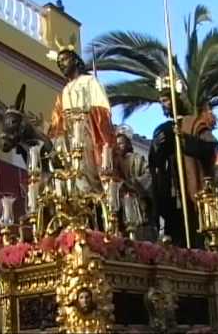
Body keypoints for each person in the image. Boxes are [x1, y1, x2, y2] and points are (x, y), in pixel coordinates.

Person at [148, 89, 218, 248]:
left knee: (196, 237)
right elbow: (155, 163)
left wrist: (184, 140)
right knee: (175, 237)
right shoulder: (162, 128)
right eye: (161, 102)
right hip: (172, 192)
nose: (164, 105)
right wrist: (156, 147)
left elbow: (211, 148)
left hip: (193, 192)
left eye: (166, 100)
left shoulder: (193, 123)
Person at [47, 45, 116, 192]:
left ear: (75, 60)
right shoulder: (65, 91)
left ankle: (93, 194)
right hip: (69, 138)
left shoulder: (90, 81)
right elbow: (57, 121)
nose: (61, 65)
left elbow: (102, 110)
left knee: (86, 168)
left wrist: (82, 120)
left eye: (64, 60)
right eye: (59, 63)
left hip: (87, 132)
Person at [115, 125, 155, 240]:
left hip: (136, 201)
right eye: (117, 144)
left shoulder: (137, 159)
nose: (119, 146)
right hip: (120, 204)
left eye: (121, 143)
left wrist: (132, 184)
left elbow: (148, 176)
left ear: (128, 144)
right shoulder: (114, 161)